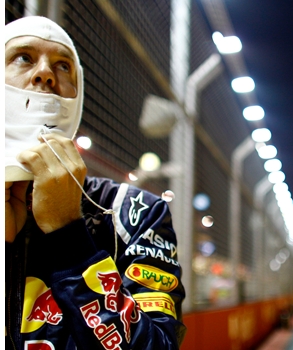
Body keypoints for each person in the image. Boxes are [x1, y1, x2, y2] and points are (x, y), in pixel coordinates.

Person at [5, 16, 186, 350]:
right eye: (23, 57)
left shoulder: (133, 211)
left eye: (63, 66)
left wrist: (69, 234)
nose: (45, 73)